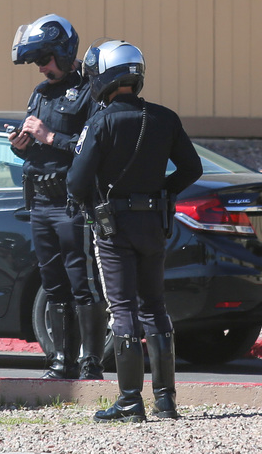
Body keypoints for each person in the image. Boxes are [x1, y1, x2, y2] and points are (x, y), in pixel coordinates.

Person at [67, 40, 203, 422]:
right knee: (155, 306)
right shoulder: (165, 118)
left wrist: (94, 200)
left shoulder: (100, 121)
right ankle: (165, 400)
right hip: (154, 224)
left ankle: (129, 401)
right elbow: (192, 168)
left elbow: (76, 182)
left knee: (123, 308)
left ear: (103, 76)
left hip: (113, 227)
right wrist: (163, 193)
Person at [9, 14, 107, 380]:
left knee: (83, 282)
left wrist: (50, 137)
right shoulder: (40, 93)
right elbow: (32, 146)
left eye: (44, 59)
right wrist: (21, 145)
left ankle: (91, 363)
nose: (40, 67)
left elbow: (94, 147)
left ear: (64, 52)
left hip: (71, 203)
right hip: (40, 201)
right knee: (53, 284)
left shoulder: (90, 90)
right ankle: (61, 361)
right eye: (35, 61)